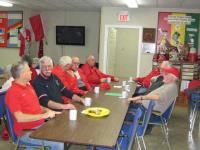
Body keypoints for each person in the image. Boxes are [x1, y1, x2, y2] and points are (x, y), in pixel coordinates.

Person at [5, 61, 64, 149]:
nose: (31, 72)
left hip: (39, 127)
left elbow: (37, 106)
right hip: (26, 132)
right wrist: (44, 115)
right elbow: (20, 118)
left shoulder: (28, 86)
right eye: (29, 70)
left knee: (63, 133)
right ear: (22, 74)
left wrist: (48, 111)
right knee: (59, 144)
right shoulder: (13, 92)